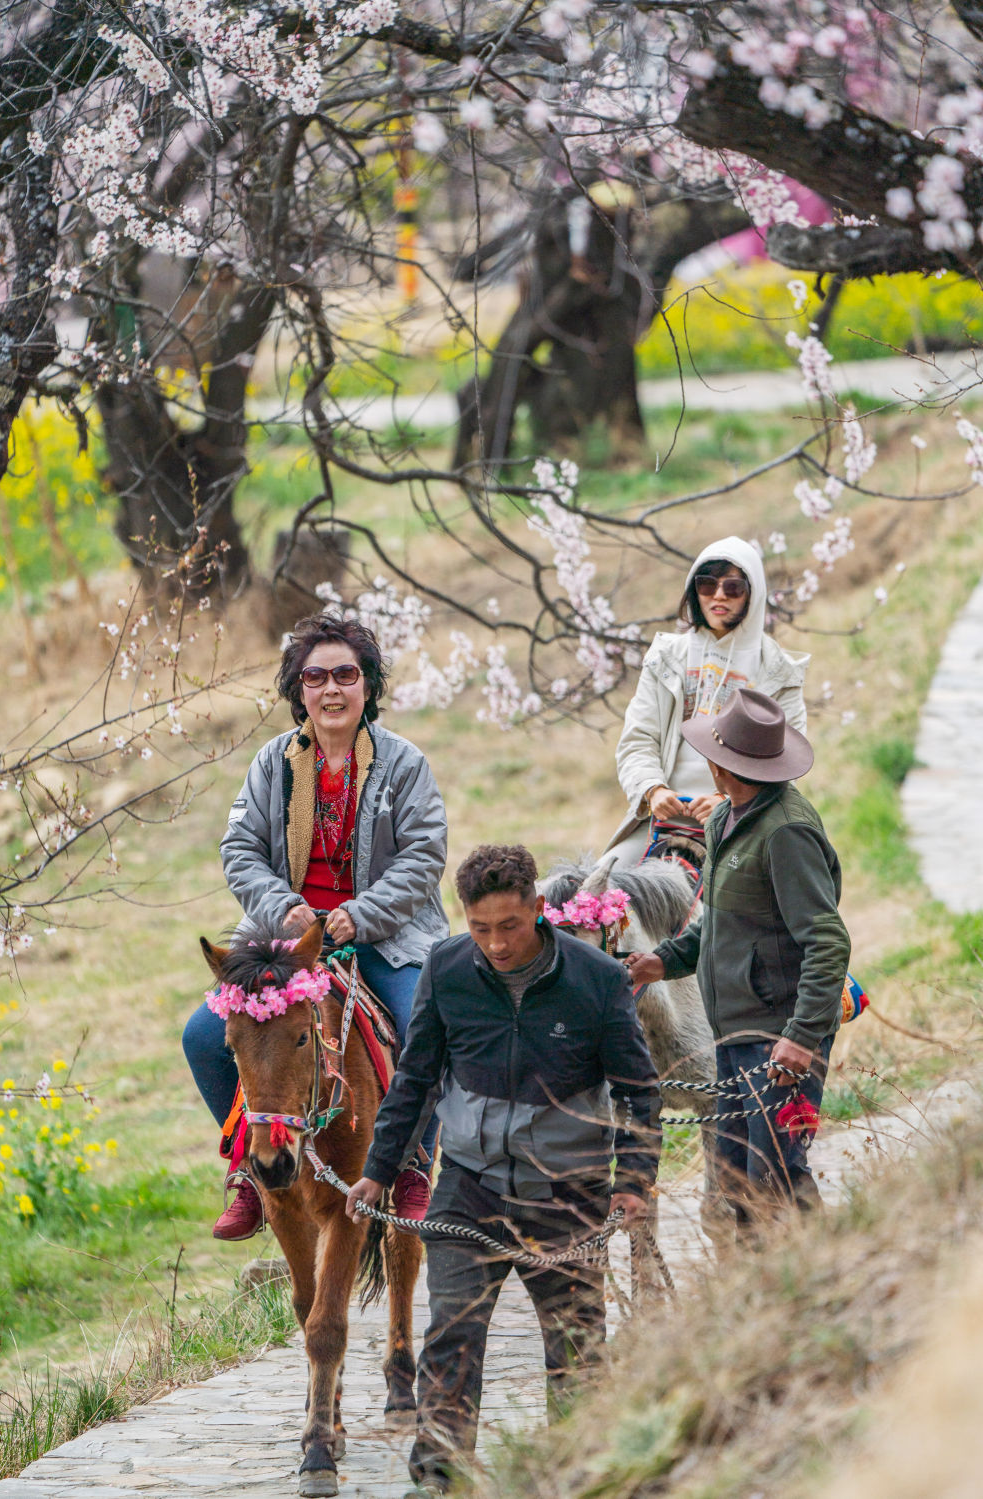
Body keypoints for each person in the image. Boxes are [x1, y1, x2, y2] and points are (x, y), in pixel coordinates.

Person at [346, 844, 661, 1499]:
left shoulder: (598, 979)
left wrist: (633, 1181)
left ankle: (581, 1474)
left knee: (575, 1346)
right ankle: (440, 1479)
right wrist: (379, 1169)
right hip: (469, 1186)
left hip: (567, 1194)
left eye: (510, 926)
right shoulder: (446, 968)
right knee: (451, 1335)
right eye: (481, 927)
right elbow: (415, 1078)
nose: (496, 944)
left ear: (539, 909)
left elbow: (639, 1090)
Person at [183, 613, 449, 1240]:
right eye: (316, 677)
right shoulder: (272, 764)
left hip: (385, 937)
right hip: (286, 943)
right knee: (203, 1036)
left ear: (367, 685)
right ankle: (250, 1170)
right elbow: (239, 849)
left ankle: (413, 1165)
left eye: (346, 675)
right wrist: (284, 907)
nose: (332, 689)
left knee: (425, 1026)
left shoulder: (404, 763)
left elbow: (424, 855)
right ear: (297, 689)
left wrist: (360, 914)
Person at [625, 688, 850, 1230]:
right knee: (737, 1183)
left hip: (777, 1037)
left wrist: (800, 1037)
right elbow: (719, 924)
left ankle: (819, 1268)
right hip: (733, 1032)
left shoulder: (786, 833)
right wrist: (661, 962)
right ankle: (760, 1279)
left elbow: (827, 941)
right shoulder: (727, 817)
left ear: (721, 764)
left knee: (776, 1176)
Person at [609, 535, 810, 865]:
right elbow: (638, 739)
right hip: (660, 821)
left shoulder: (779, 672)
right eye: (706, 584)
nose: (718, 595)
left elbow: (785, 769)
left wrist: (730, 802)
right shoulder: (665, 657)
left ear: (753, 593)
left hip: (738, 828)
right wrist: (653, 789)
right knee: (598, 887)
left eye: (733, 587)